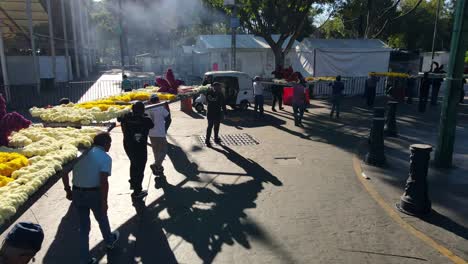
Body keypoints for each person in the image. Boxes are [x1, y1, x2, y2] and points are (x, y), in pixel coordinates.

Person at [62, 132, 119, 264]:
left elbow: (64, 171)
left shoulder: (80, 154)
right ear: (105, 144)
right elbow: (104, 182)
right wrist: (104, 202)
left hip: (77, 192)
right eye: (109, 144)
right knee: (102, 218)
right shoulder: (105, 158)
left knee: (83, 227)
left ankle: (85, 259)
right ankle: (109, 241)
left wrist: (67, 189)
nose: (110, 146)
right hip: (94, 194)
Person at [117, 102, 154, 198]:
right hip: (140, 147)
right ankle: (137, 191)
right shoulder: (146, 120)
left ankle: (133, 184)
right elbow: (151, 124)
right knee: (139, 168)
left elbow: (119, 117)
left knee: (133, 164)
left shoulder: (126, 118)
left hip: (128, 145)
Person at [146, 94, 170, 189]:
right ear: (158, 100)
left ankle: (158, 168)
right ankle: (156, 165)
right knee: (164, 150)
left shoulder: (147, 108)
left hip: (151, 133)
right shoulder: (160, 108)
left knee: (156, 151)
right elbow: (167, 116)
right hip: (160, 132)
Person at [205, 82, 227, 146]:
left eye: (218, 87)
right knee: (210, 127)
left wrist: (225, 113)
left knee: (216, 127)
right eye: (216, 87)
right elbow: (209, 100)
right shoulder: (209, 93)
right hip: (211, 113)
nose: (218, 88)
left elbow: (223, 104)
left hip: (216, 113)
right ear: (213, 87)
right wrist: (225, 113)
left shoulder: (220, 94)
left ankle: (215, 138)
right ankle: (207, 140)